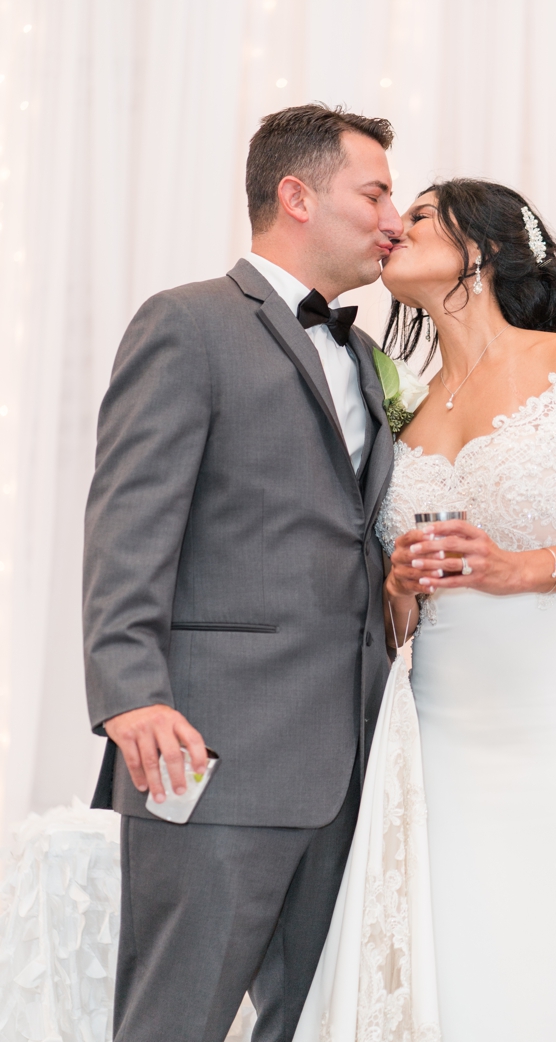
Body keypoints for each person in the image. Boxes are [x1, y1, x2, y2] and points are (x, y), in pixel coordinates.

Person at [296, 180, 556, 1039]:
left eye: (420, 217)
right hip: (443, 719)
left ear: (484, 248)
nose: (394, 227)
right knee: (463, 942)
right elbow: (399, 611)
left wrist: (521, 568)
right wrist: (399, 585)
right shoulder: (404, 403)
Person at [82, 104, 401, 1040]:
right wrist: (131, 691)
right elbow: (129, 521)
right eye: (375, 194)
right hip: (211, 748)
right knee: (175, 1018)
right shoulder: (188, 323)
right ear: (297, 196)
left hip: (351, 753)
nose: (392, 219)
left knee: (319, 1022)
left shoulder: (369, 355)